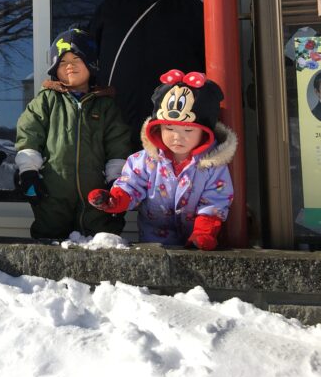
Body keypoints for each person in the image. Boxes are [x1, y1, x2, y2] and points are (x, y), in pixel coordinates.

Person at [88, 69, 236, 250]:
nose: (177, 137)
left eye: (188, 131)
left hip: (197, 242)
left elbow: (215, 200)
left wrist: (204, 232)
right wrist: (114, 200)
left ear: (205, 134)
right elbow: (131, 185)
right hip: (154, 241)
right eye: (169, 129)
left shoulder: (213, 165)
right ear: (157, 129)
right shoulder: (146, 160)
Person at [89, 0, 205, 150]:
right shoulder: (113, 7)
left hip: (174, 126)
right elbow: (86, 53)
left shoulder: (190, 8)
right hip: (117, 123)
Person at [15, 28, 131, 241]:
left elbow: (118, 143)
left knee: (102, 234)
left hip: (96, 191)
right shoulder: (46, 101)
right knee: (49, 233)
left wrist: (116, 179)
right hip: (53, 190)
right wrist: (28, 171)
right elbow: (29, 134)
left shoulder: (105, 106)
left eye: (77, 58)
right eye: (62, 61)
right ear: (54, 68)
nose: (69, 65)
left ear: (91, 64)